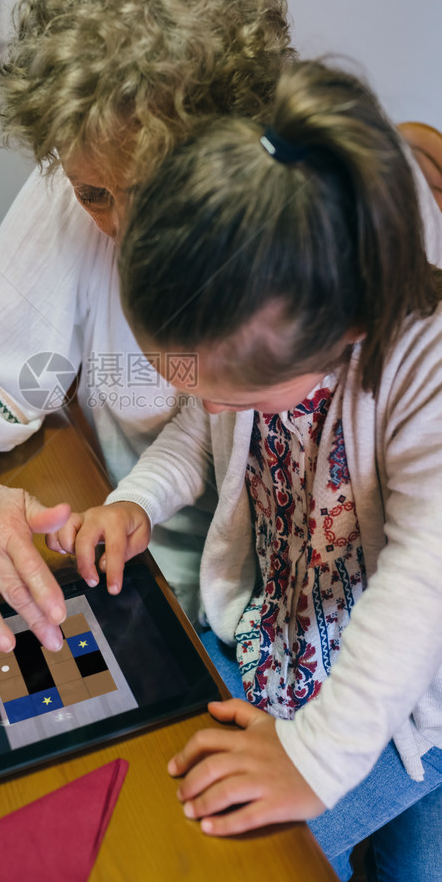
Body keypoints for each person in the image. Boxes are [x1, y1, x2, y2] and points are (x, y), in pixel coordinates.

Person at [50, 60, 442, 881]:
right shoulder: (265, 313)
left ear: (350, 331)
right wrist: (136, 502)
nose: (213, 410)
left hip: (407, 706)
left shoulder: (423, 369)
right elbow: (200, 424)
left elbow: (421, 582)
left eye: (236, 397)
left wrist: (312, 758)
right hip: (284, 647)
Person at [0, 0, 297, 654]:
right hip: (154, 576)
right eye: (92, 193)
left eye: (148, 186)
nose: (119, 228)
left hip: (303, 608)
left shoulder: (306, 240)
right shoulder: (83, 178)